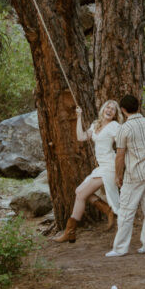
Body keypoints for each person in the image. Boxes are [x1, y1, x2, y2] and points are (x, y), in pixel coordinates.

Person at [51, 99, 122, 243]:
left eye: (113, 109)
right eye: (107, 107)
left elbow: (122, 145)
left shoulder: (115, 126)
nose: (109, 110)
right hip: (101, 167)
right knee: (80, 192)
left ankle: (70, 232)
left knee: (81, 193)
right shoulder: (96, 124)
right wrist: (79, 117)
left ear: (115, 114)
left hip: (109, 166)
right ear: (103, 109)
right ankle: (106, 210)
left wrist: (121, 169)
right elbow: (81, 137)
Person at [106, 94, 145, 257]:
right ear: (137, 107)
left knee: (126, 210)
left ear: (122, 110)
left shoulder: (124, 129)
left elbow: (120, 155)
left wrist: (117, 175)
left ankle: (120, 248)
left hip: (136, 173)